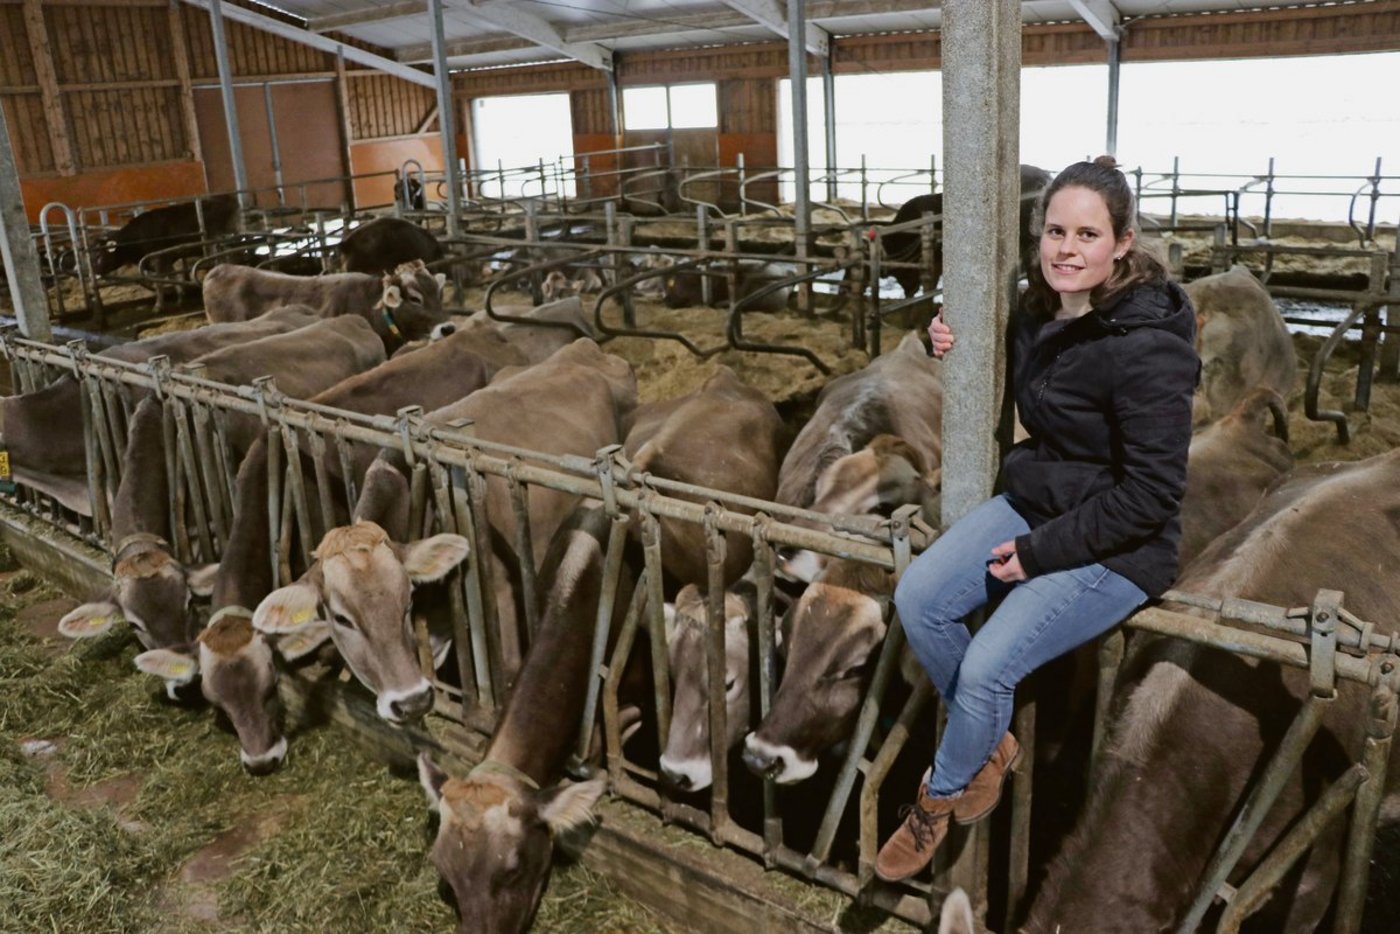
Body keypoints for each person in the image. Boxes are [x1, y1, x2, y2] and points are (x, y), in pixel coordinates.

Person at [875, 156, 1200, 882]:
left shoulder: (1149, 350)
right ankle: (987, 741)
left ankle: (940, 793)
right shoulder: (1041, 308)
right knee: (920, 597)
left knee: (989, 664)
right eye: (1056, 230)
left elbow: (1151, 494)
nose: (1066, 248)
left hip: (1119, 545)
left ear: (1123, 241)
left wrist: (1035, 553)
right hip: (1041, 495)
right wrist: (942, 341)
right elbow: (1000, 361)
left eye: (1088, 234)